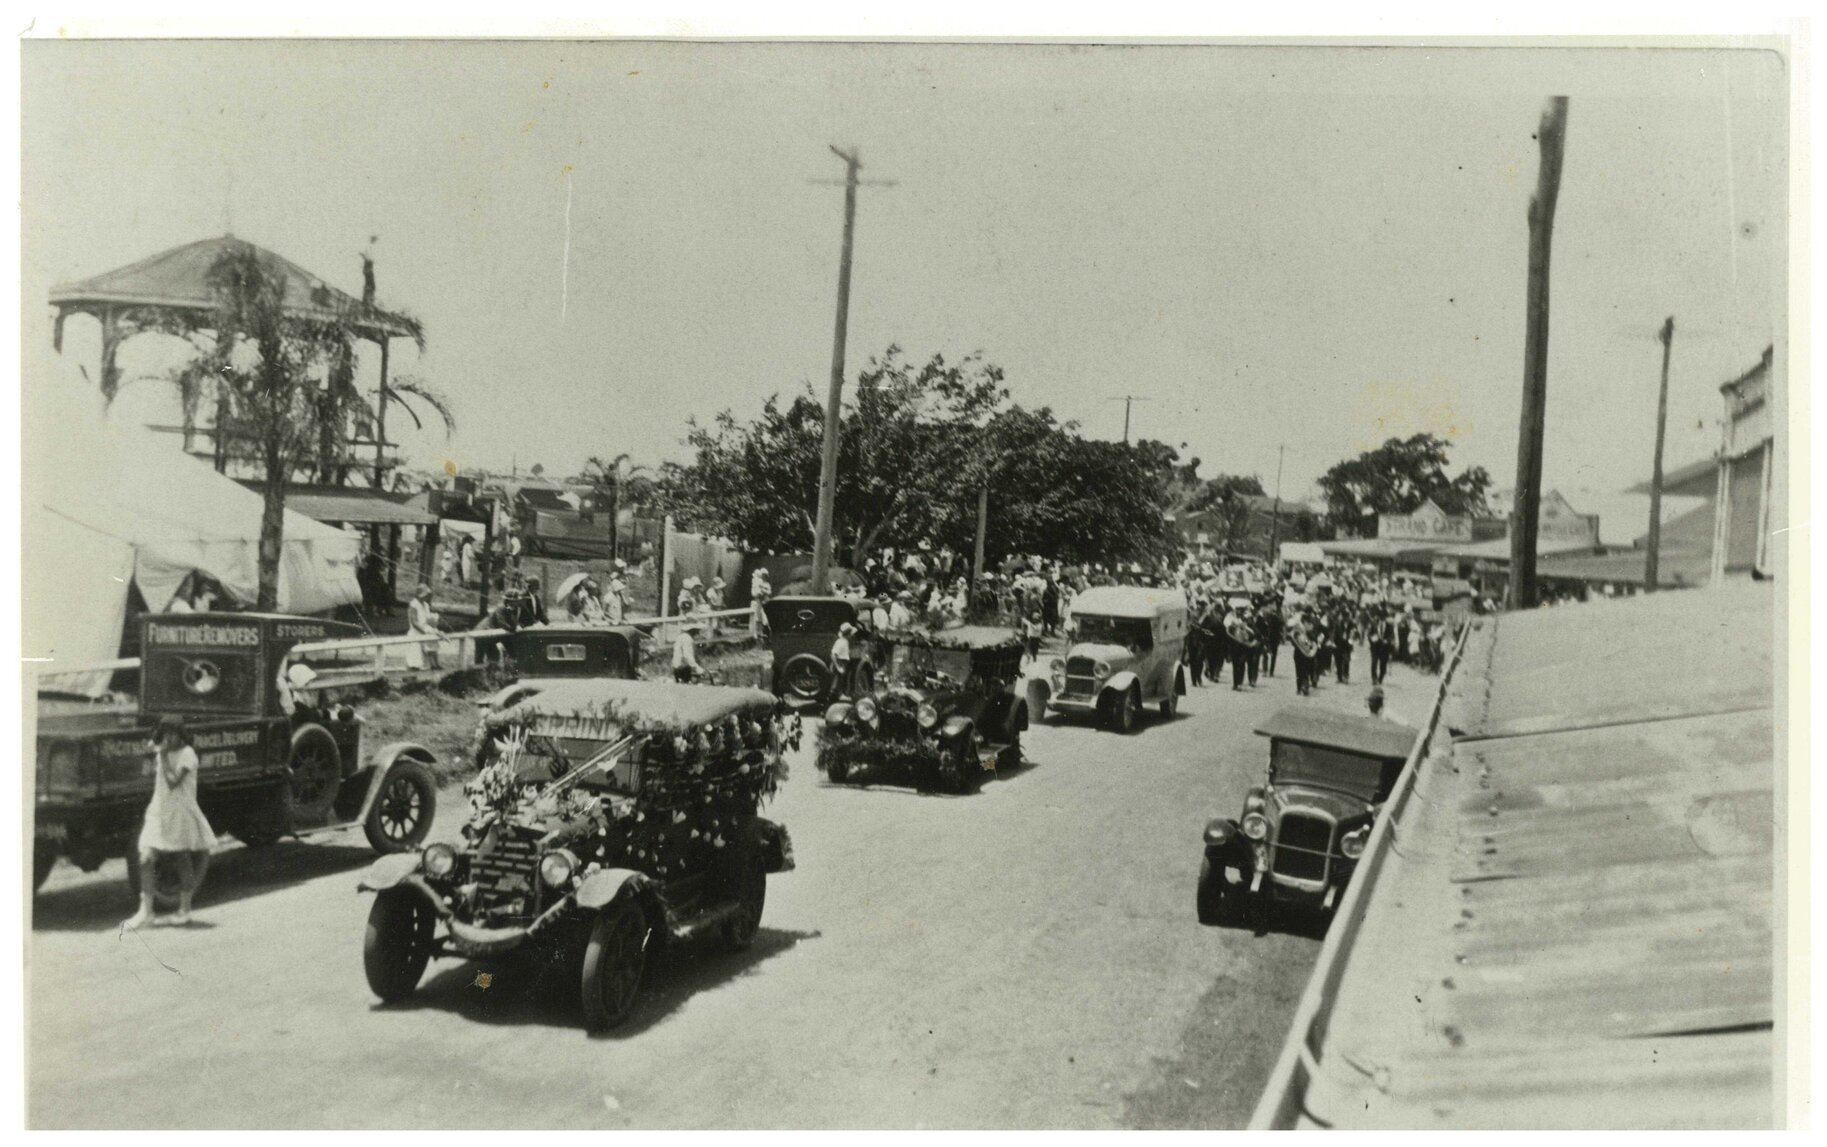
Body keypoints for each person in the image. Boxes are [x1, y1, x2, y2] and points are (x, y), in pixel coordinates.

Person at [122, 717, 217, 931]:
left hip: (180, 812)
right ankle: (146, 912)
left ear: (182, 734)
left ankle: (185, 909)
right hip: (158, 810)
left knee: (182, 858)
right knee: (146, 858)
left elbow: (173, 782)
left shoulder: (188, 754)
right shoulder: (161, 749)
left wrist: (163, 756)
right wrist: (155, 747)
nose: (170, 738)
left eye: (174, 733)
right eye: (166, 734)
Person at [407, 583, 442, 670]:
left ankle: (434, 666)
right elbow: (414, 622)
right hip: (416, 633)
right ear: (421, 595)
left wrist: (433, 622)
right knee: (415, 660)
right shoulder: (413, 605)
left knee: (431, 648)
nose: (428, 597)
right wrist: (424, 631)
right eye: (427, 595)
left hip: (425, 631)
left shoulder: (426, 605)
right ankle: (411, 674)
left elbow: (427, 618)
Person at [829, 622, 857, 703]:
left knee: (839, 685)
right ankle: (827, 707)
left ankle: (835, 702)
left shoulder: (845, 642)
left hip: (843, 663)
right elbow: (833, 654)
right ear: (848, 634)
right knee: (835, 686)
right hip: (839, 663)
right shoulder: (841, 642)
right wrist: (838, 667)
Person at [1369, 608, 1397, 685]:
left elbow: (1392, 636)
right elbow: (1369, 634)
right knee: (1374, 663)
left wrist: (1387, 640)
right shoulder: (1374, 623)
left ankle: (1380, 678)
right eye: (1380, 617)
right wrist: (1372, 639)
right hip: (1375, 646)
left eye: (1383, 617)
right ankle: (1374, 678)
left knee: (1383, 664)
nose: (1382, 619)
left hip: (1385, 647)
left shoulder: (1389, 626)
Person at [750, 567, 773, 638]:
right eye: (762, 575)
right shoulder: (757, 584)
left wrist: (765, 591)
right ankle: (757, 633)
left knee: (764, 618)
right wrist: (759, 592)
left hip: (765, 602)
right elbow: (754, 593)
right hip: (758, 602)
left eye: (765, 576)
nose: (763, 577)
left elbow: (769, 592)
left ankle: (766, 632)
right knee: (757, 618)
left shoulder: (767, 584)